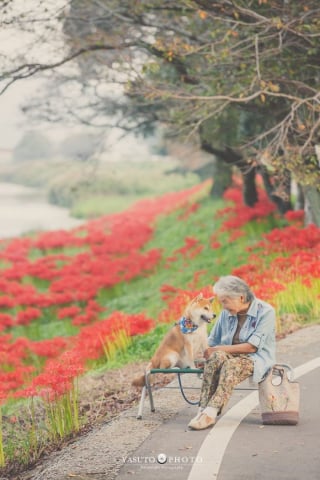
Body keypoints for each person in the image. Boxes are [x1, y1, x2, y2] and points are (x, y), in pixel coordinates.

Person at [188, 275, 276, 430]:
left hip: (254, 358)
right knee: (216, 356)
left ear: (241, 297)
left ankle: (210, 413)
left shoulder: (266, 312)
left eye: (224, 301)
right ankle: (202, 410)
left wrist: (218, 349)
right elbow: (213, 341)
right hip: (228, 355)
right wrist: (202, 353)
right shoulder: (226, 313)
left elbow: (251, 347)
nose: (222, 306)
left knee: (230, 364)